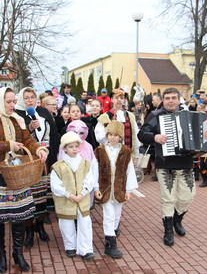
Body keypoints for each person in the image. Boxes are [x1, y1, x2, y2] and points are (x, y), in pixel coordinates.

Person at [137, 87, 207, 246]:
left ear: (179, 100)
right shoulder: (156, 115)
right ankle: (168, 229)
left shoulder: (190, 115)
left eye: (174, 98)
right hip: (165, 164)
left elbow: (201, 137)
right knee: (168, 199)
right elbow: (141, 134)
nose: (170, 101)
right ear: (163, 100)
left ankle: (177, 219)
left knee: (188, 196)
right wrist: (155, 137)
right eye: (167, 98)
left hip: (185, 164)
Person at [0, 87, 48, 272]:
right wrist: (7, 145)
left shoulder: (17, 119)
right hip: (1, 175)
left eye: (14, 101)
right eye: (9, 102)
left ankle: (17, 254)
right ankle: (1, 255)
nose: (13, 105)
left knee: (19, 217)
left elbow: (27, 140)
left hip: (17, 173)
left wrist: (38, 149)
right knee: (1, 219)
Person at [15, 87, 60, 247]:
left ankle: (40, 227)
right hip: (30, 162)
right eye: (26, 98)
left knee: (45, 197)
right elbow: (18, 140)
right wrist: (30, 128)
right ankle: (29, 231)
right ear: (22, 100)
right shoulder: (18, 115)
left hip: (47, 160)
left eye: (32, 97)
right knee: (30, 198)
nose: (30, 100)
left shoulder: (44, 112)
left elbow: (54, 135)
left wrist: (55, 159)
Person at [93, 121, 138, 258]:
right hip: (105, 188)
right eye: (110, 134)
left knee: (117, 215)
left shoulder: (125, 151)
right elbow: (94, 170)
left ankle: (112, 232)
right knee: (109, 215)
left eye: (115, 135)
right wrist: (96, 187)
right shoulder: (100, 151)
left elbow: (129, 171)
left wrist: (129, 190)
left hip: (119, 189)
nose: (112, 137)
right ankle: (110, 244)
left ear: (120, 137)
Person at [50, 132, 97, 260]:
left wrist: (83, 193)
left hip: (82, 199)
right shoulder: (58, 166)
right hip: (66, 199)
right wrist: (67, 194)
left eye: (76, 146)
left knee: (85, 222)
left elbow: (89, 179)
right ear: (64, 148)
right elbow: (55, 184)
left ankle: (86, 249)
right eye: (71, 147)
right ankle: (70, 246)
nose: (74, 149)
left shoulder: (85, 163)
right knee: (66, 222)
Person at [95, 89, 140, 161]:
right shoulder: (105, 117)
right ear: (112, 99)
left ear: (124, 100)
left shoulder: (130, 116)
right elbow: (99, 137)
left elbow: (135, 135)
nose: (119, 100)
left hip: (128, 155)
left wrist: (136, 155)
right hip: (110, 156)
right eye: (116, 98)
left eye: (121, 98)